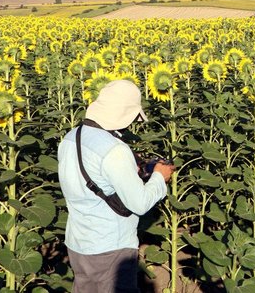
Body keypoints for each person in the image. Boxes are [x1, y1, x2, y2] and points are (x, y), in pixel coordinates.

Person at [58, 79, 175, 292]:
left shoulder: (71, 137)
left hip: (79, 243)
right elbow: (139, 204)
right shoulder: (115, 150)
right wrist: (159, 176)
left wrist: (133, 168)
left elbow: (91, 177)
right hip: (109, 246)